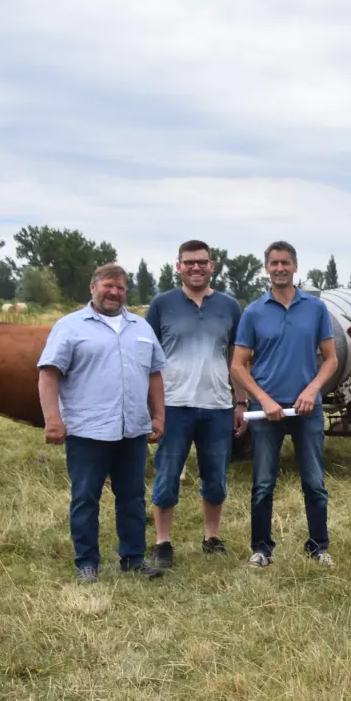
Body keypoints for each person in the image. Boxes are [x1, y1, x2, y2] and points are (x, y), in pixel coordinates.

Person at [37, 263, 167, 583]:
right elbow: (48, 374)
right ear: (93, 288)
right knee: (85, 498)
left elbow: (154, 374)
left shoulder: (140, 327)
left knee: (133, 497)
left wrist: (159, 415)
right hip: (87, 431)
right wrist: (53, 419)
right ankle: (86, 563)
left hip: (132, 429)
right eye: (108, 285)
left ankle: (133, 558)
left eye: (121, 288)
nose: (115, 292)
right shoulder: (70, 326)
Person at [229, 241, 338, 569]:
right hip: (267, 410)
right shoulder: (254, 312)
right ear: (267, 268)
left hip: (307, 409)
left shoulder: (316, 309)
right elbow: (237, 365)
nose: (280, 268)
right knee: (263, 482)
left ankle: (318, 547)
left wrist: (312, 390)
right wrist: (262, 399)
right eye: (274, 263)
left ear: (295, 267)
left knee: (315, 482)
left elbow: (331, 359)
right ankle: (262, 549)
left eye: (285, 263)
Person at [144, 239, 245, 569]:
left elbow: (238, 358)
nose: (196, 267)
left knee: (215, 477)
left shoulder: (230, 306)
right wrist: (150, 407)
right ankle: (162, 542)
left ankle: (211, 537)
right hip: (173, 405)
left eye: (202, 261)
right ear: (179, 267)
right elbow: (146, 356)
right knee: (168, 474)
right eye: (189, 262)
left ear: (212, 265)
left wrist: (240, 402)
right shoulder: (162, 305)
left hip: (217, 406)